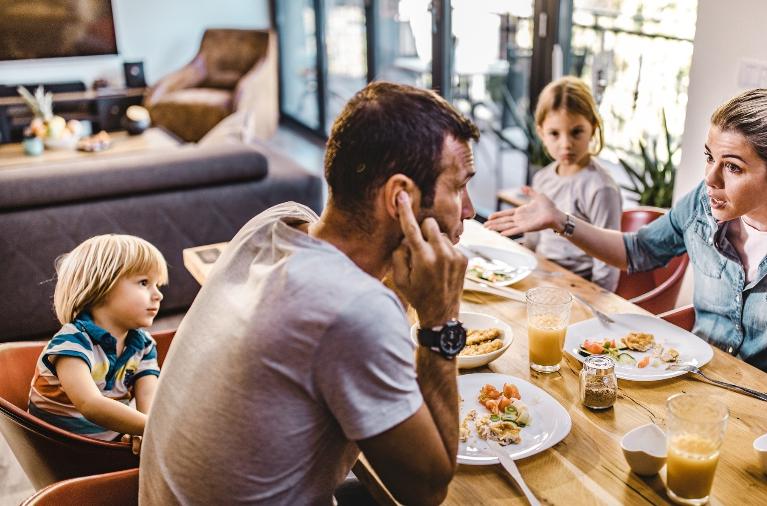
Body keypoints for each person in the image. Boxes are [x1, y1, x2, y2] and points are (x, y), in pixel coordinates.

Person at [139, 81, 479, 505]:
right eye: (460, 186)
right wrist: (441, 321)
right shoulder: (353, 309)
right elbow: (426, 490)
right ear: (401, 198)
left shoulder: (274, 224)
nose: (469, 209)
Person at [486, 88, 767, 419]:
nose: (710, 178)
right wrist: (560, 219)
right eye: (709, 157)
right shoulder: (703, 203)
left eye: (733, 167)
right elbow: (637, 251)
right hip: (693, 391)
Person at [28, 234, 167, 452]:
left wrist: (146, 429)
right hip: (65, 450)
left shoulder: (144, 345)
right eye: (144, 283)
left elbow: (149, 400)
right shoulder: (73, 342)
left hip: (108, 443)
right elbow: (90, 404)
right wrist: (155, 429)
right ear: (102, 286)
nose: (158, 295)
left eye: (157, 285)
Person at [523, 76, 622, 290]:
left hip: (579, 286)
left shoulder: (601, 188)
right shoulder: (542, 178)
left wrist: (600, 302)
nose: (566, 144)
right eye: (554, 134)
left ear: (593, 128)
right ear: (541, 133)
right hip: (540, 276)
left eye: (576, 132)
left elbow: (608, 259)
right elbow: (533, 239)